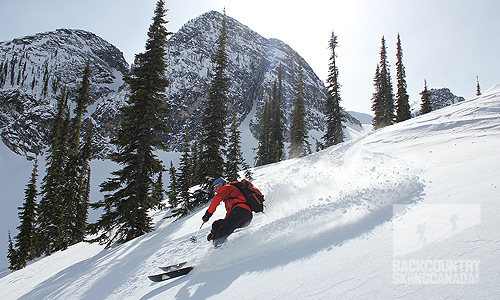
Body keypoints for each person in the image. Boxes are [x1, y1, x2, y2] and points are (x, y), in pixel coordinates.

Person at [202, 178, 252, 247]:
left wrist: (207, 214)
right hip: (245, 216)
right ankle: (217, 240)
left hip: (241, 212)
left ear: (223, 184)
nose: (216, 189)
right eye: (215, 188)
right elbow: (229, 215)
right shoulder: (229, 198)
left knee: (222, 232)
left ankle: (220, 249)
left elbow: (215, 201)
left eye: (218, 186)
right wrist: (214, 232)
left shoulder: (227, 187)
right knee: (216, 224)